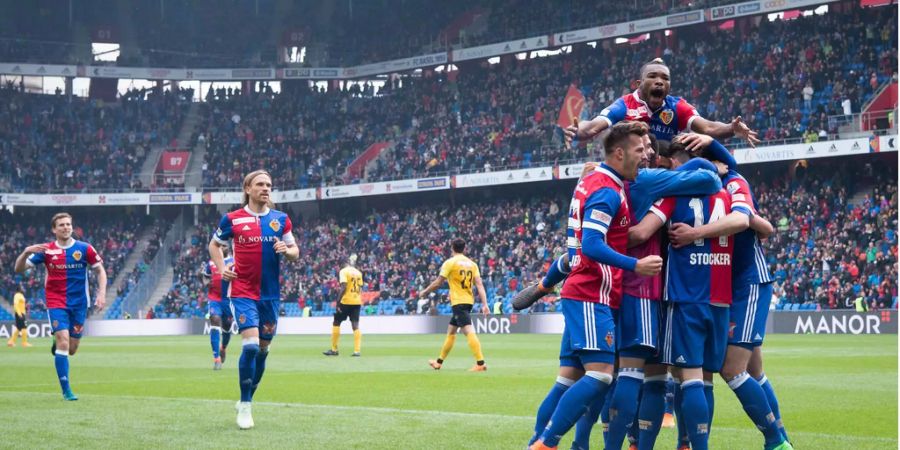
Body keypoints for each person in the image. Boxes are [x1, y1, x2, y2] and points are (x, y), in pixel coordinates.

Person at [529, 122, 662, 450]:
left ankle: (549, 442)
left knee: (568, 380)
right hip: (591, 293)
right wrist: (636, 264)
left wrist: (548, 282)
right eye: (638, 150)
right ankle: (545, 443)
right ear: (619, 153)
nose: (644, 155)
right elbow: (591, 244)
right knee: (601, 375)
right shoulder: (606, 190)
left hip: (585, 292)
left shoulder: (594, 180)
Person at [668, 157, 793, 450]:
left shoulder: (732, 182)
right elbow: (761, 225)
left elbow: (751, 222)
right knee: (753, 371)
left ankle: (776, 441)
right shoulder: (702, 189)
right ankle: (780, 439)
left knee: (732, 369)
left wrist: (697, 233)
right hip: (723, 287)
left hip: (746, 284)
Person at [628, 142, 744, 450]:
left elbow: (641, 232)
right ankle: (688, 444)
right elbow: (749, 222)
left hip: (685, 296)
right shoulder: (728, 196)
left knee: (682, 375)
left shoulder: (673, 196)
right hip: (721, 297)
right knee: (705, 380)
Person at [209, 170, 300, 429]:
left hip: (270, 295)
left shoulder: (280, 220)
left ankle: (247, 397)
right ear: (248, 188)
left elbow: (295, 251)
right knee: (249, 347)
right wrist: (221, 267)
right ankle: (246, 406)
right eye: (260, 184)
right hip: (243, 292)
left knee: (262, 351)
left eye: (269, 185)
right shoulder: (232, 219)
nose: (266, 188)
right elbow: (214, 245)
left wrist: (288, 250)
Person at [14, 212, 107, 401]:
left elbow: (100, 271)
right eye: (62, 225)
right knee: (64, 340)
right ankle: (66, 390)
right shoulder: (46, 250)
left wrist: (102, 293)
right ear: (54, 229)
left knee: (71, 349)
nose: (66, 227)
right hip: (56, 302)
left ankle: (57, 343)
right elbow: (18, 269)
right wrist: (25, 252)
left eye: (68, 224)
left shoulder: (85, 248)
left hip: (80, 303)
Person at [566, 58, 760, 147]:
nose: (659, 81)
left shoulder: (676, 106)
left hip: (666, 171)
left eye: (665, 78)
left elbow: (708, 127)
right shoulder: (624, 105)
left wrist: (731, 128)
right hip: (634, 172)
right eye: (652, 76)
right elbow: (592, 127)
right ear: (638, 84)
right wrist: (577, 131)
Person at [419, 238, 490, 372]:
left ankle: (480, 363)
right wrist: (485, 304)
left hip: (458, 302)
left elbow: (438, 282)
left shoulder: (450, 263)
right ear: (465, 248)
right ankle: (439, 362)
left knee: (468, 331)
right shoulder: (472, 264)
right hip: (468, 301)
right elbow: (479, 285)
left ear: (452, 248)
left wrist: (425, 291)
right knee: (451, 331)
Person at [323, 254, 364, 357]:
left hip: (346, 301)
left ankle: (334, 349)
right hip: (357, 301)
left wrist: (338, 302)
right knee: (355, 325)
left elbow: (344, 286)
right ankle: (357, 351)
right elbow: (360, 287)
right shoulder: (358, 272)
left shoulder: (343, 271)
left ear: (341, 263)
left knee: (336, 322)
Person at [202, 248, 234, 370]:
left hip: (228, 300)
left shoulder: (234, 261)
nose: (222, 247)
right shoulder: (211, 263)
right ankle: (216, 359)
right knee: (215, 320)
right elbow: (205, 277)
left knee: (227, 325)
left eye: (224, 244)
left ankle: (223, 348)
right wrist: (206, 282)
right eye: (220, 244)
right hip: (214, 299)